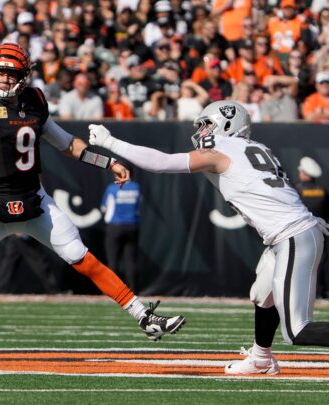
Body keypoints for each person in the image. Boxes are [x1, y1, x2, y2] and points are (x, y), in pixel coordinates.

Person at [0, 42, 185, 342]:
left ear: (24, 76)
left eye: (11, 74)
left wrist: (108, 162)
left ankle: (143, 316)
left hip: (34, 201)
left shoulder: (35, 101)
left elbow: (67, 144)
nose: (5, 79)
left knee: (83, 258)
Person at [88, 100, 329, 375]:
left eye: (207, 125)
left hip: (293, 235)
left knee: (297, 330)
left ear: (228, 124)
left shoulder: (222, 150)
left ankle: (264, 357)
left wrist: (111, 142)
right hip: (288, 236)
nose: (202, 132)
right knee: (263, 296)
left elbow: (162, 163)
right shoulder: (257, 148)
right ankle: (261, 359)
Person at [296, 157, 329, 298]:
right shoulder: (322, 190)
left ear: (303, 172)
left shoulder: (297, 190)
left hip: (301, 230)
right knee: (320, 261)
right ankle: (320, 291)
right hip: (320, 230)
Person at [101, 177, 140, 290]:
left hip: (115, 226)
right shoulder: (136, 187)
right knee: (130, 261)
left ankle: (114, 291)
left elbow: (104, 207)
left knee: (112, 260)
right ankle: (133, 291)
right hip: (132, 226)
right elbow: (139, 204)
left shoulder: (112, 188)